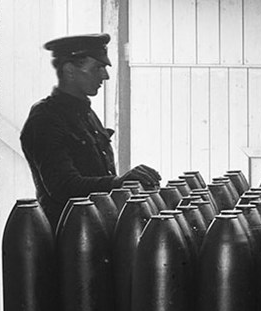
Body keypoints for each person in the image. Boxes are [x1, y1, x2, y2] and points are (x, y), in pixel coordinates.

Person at [22, 33, 161, 221]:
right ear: (70, 70)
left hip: (96, 227)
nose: (106, 75)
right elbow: (63, 186)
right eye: (98, 67)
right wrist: (118, 183)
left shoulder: (85, 113)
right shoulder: (45, 119)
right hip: (67, 235)